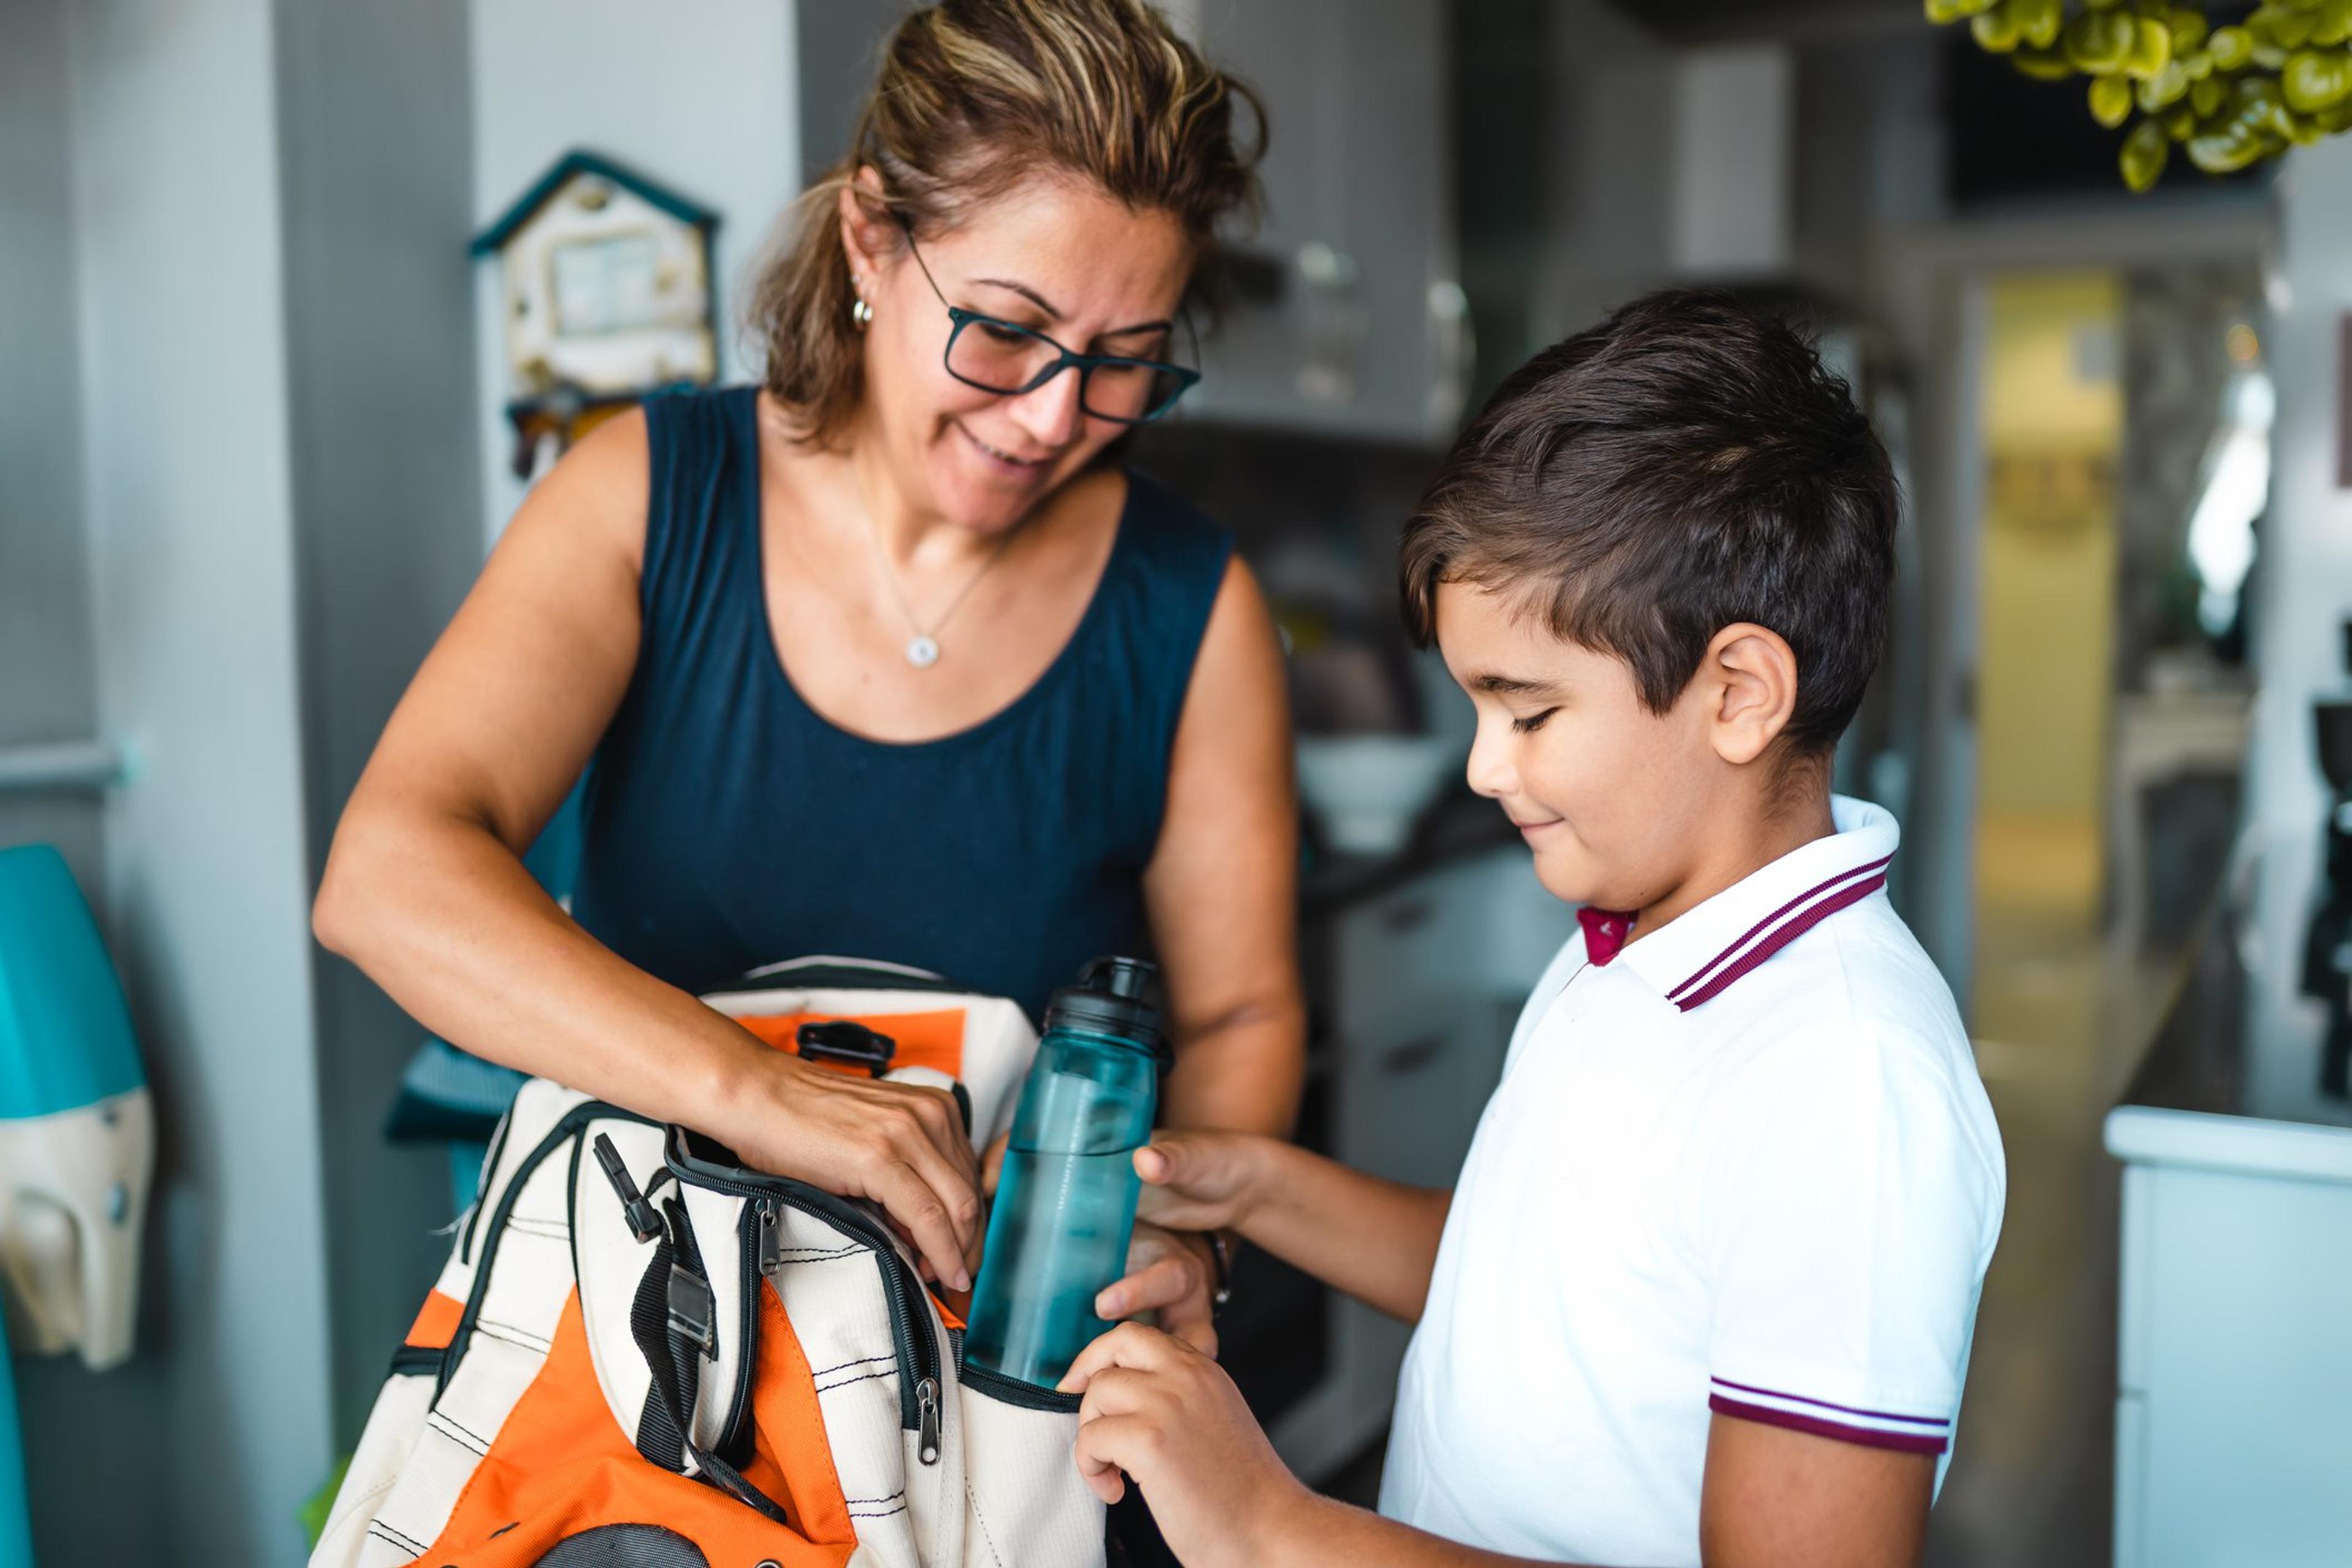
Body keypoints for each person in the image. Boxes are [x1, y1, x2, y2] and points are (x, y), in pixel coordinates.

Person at [314, 0, 1300, 1351]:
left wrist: (1184, 1234)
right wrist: (760, 1090)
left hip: (997, 1377)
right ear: (871, 238)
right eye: (1007, 329)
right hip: (645, 1352)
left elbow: (1243, 1010)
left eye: (1125, 362)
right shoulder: (645, 493)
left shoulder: (1197, 609)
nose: (1053, 416)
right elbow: (385, 878)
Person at [1056, 291, 2008, 1568]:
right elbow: (1555, 1277)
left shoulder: (1839, 1080)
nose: (1482, 768)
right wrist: (1263, 1184)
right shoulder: (1640, 928)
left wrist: (1270, 1522)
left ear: (1737, 692)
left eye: (1529, 709)